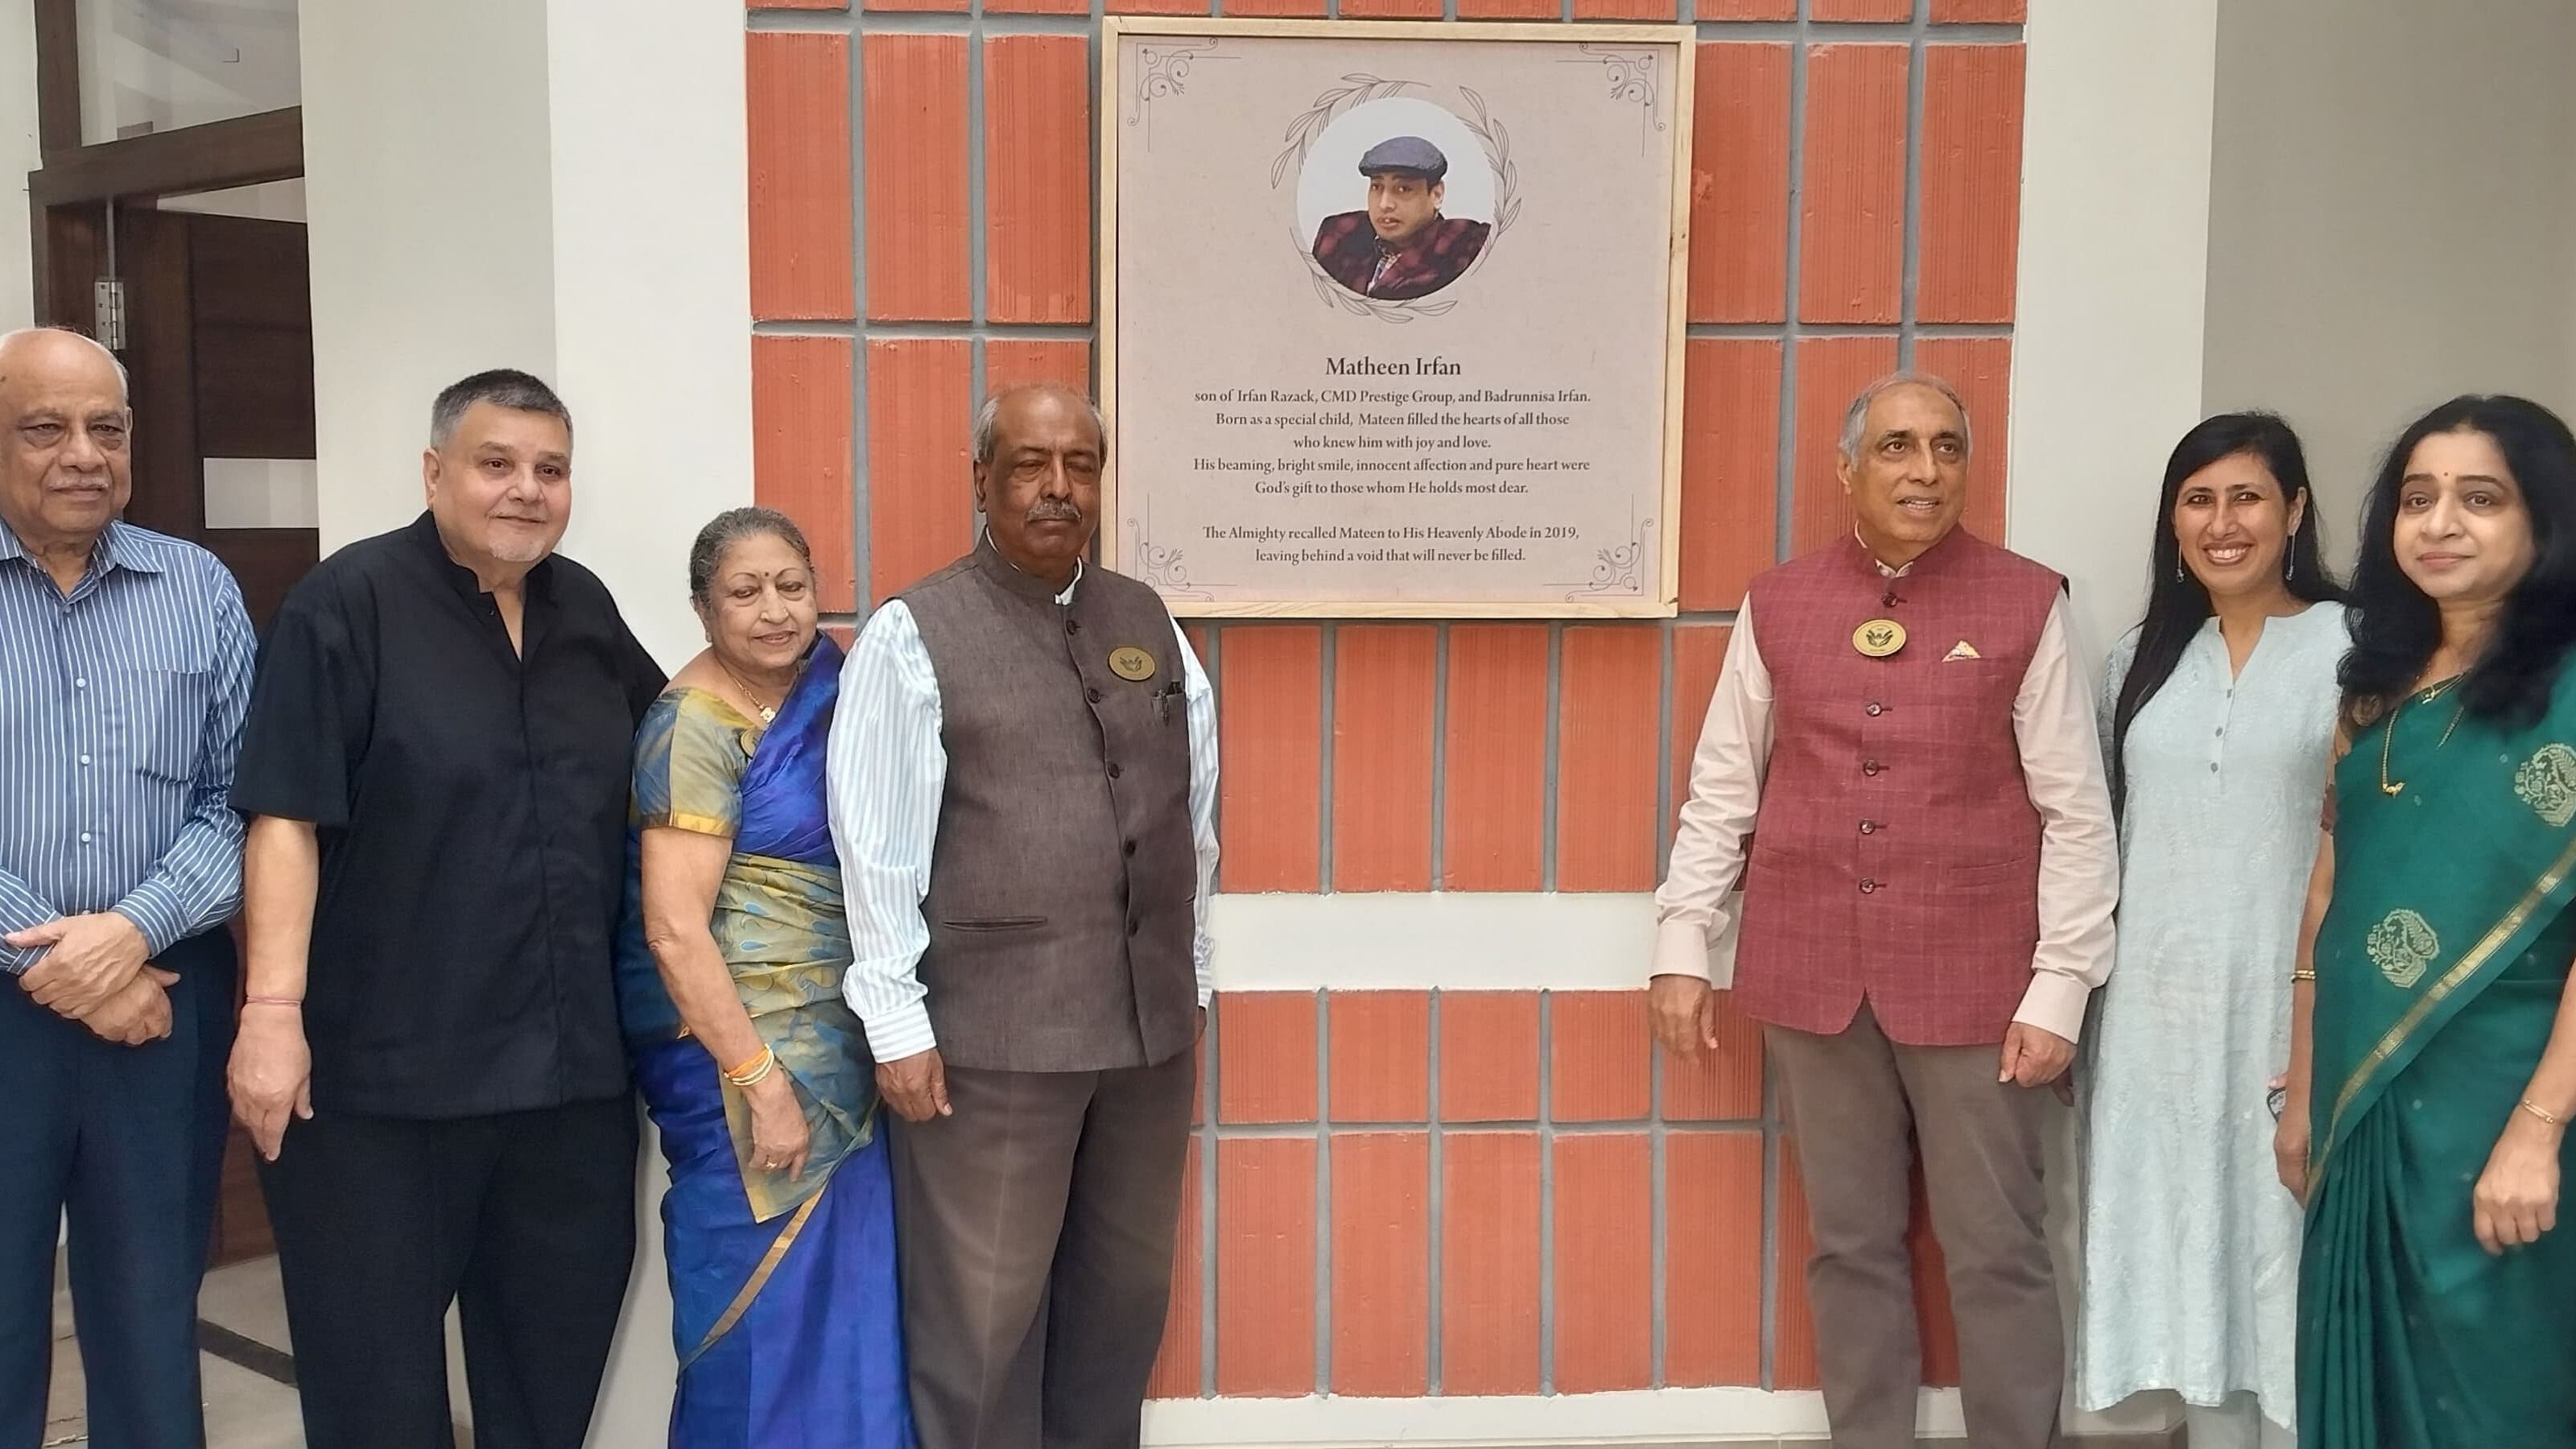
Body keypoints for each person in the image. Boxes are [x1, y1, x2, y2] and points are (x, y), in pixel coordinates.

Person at [1650, 373, 2119, 1449]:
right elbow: (1725, 786)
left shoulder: (2028, 600)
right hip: (1810, 977)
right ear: (1848, 469)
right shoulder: (1778, 602)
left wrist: (2061, 988)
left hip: (1977, 988)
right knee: (1849, 1244)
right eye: (1900, 448)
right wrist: (1685, 941)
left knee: (1995, 1247)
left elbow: (2076, 815)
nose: (1926, 471)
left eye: (1948, 449)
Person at [225, 369, 665, 1449]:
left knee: (548, 1390)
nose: (526, 490)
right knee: (377, 1398)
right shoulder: (346, 607)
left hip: (568, 1085)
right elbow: (283, 818)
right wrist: (270, 1016)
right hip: (383, 1089)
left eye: (549, 469)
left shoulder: (586, 610)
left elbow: (675, 766)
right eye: (496, 464)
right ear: (435, 474)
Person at [828, 382, 1217, 1449]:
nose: (1058, 488)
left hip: (1145, 1039)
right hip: (990, 1045)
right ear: (983, 481)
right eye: (1032, 465)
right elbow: (876, 850)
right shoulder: (914, 633)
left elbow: (1195, 810)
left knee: (1121, 1308)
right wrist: (897, 1023)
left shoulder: (1146, 620)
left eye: (1080, 465)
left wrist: (1192, 975)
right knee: (984, 1329)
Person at [2278, 394, 2576, 1448]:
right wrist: (2303, 1092)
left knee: (2502, 1386)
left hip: (2510, 1100)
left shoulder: (2571, 695)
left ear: (2546, 519)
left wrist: (2539, 1135)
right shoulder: (2374, 692)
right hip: (2366, 1096)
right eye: (2417, 497)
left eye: (2480, 498)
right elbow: (2327, 896)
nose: (2439, 522)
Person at [0, 326, 254, 1449]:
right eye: (45, 428)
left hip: (163, 1001)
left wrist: (131, 933)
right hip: (20, 1005)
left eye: (107, 429)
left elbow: (245, 801)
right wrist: (57, 957)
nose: (82, 455)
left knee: (151, 1314)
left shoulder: (197, 587)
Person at [2074, 414, 2346, 1449]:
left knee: (2284, 1249)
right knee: (2188, 1256)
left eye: (2245, 498)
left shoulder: (2356, 647)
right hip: (2152, 1021)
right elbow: (2098, 844)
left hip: (2292, 1006)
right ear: (2172, 521)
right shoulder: (2134, 662)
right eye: (2197, 500)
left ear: (2293, 512)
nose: (2221, 523)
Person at [620, 507, 913, 1447]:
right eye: (744, 593)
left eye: (791, 585)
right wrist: (761, 1083)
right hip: (741, 1064)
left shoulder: (843, 687)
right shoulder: (690, 726)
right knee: (753, 1316)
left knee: (857, 1301)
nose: (775, 610)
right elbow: (672, 930)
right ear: (704, 610)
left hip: (847, 1042)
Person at [1309, 134, 1492, 301]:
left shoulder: (1464, 247)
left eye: (1403, 189)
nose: (1384, 204)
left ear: (1436, 195)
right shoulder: (1339, 236)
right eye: (1377, 187)